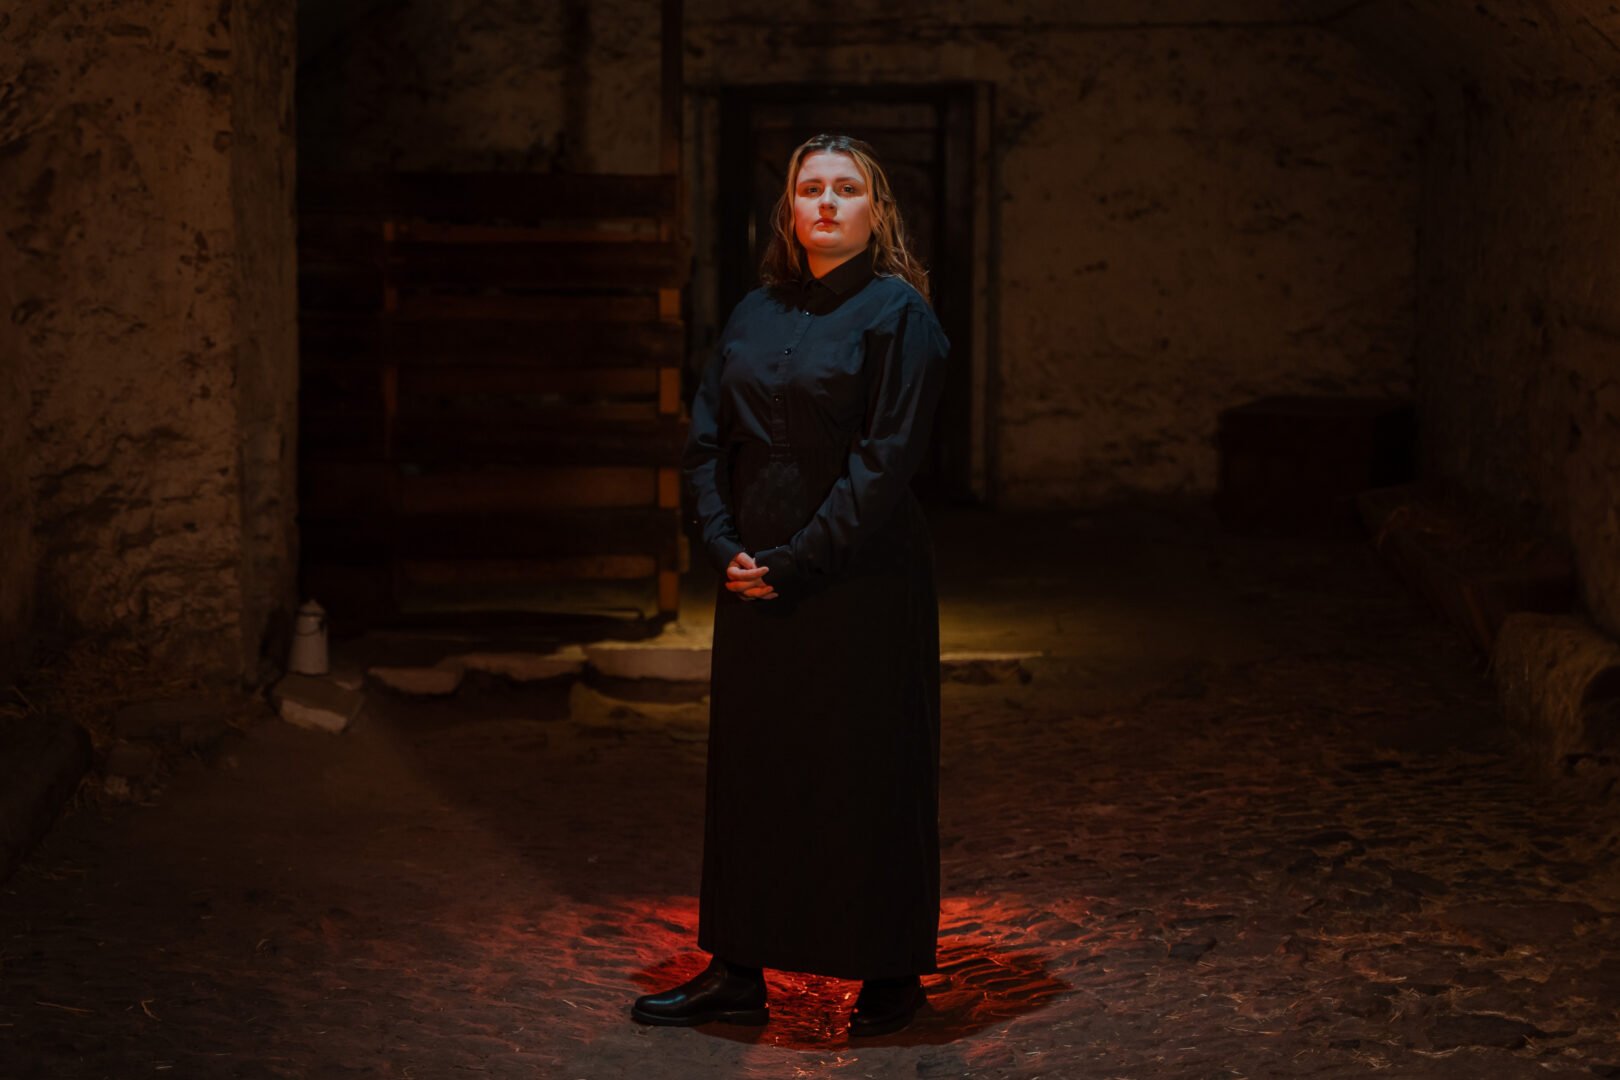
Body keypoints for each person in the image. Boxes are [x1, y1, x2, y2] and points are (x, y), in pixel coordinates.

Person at [630, 134, 949, 1038]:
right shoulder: (754, 311)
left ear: (875, 212)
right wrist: (726, 544)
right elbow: (705, 440)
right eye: (811, 188)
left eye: (847, 189)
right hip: (754, 570)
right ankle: (736, 968)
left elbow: (885, 465)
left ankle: (889, 977)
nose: (827, 202)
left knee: (868, 765)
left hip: (860, 576)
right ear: (789, 210)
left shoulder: (900, 316)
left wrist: (798, 559)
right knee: (753, 768)